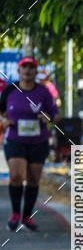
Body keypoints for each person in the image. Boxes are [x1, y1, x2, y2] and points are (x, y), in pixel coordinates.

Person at [1, 56, 59, 231]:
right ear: (19, 71)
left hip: (38, 141)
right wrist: (4, 120)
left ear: (36, 71)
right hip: (15, 140)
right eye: (24, 67)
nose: (27, 71)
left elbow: (55, 114)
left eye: (31, 68)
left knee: (33, 179)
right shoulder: (10, 90)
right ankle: (15, 213)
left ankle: (27, 216)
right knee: (17, 176)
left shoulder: (43, 92)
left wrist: (48, 118)